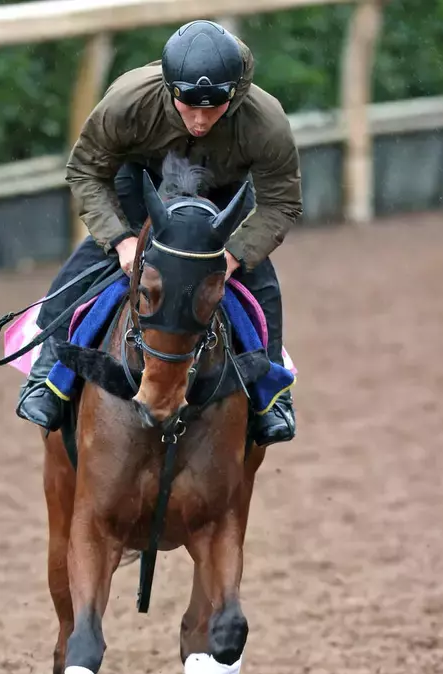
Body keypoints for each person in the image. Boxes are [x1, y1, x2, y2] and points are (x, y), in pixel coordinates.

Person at [16, 19, 302, 446]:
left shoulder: (266, 121)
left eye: (214, 107)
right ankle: (46, 380)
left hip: (217, 201)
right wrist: (121, 240)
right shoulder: (127, 102)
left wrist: (233, 257)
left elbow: (281, 201)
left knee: (264, 289)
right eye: (189, 106)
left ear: (235, 93)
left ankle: (271, 396)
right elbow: (86, 171)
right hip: (141, 188)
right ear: (170, 89)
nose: (201, 121)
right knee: (77, 275)